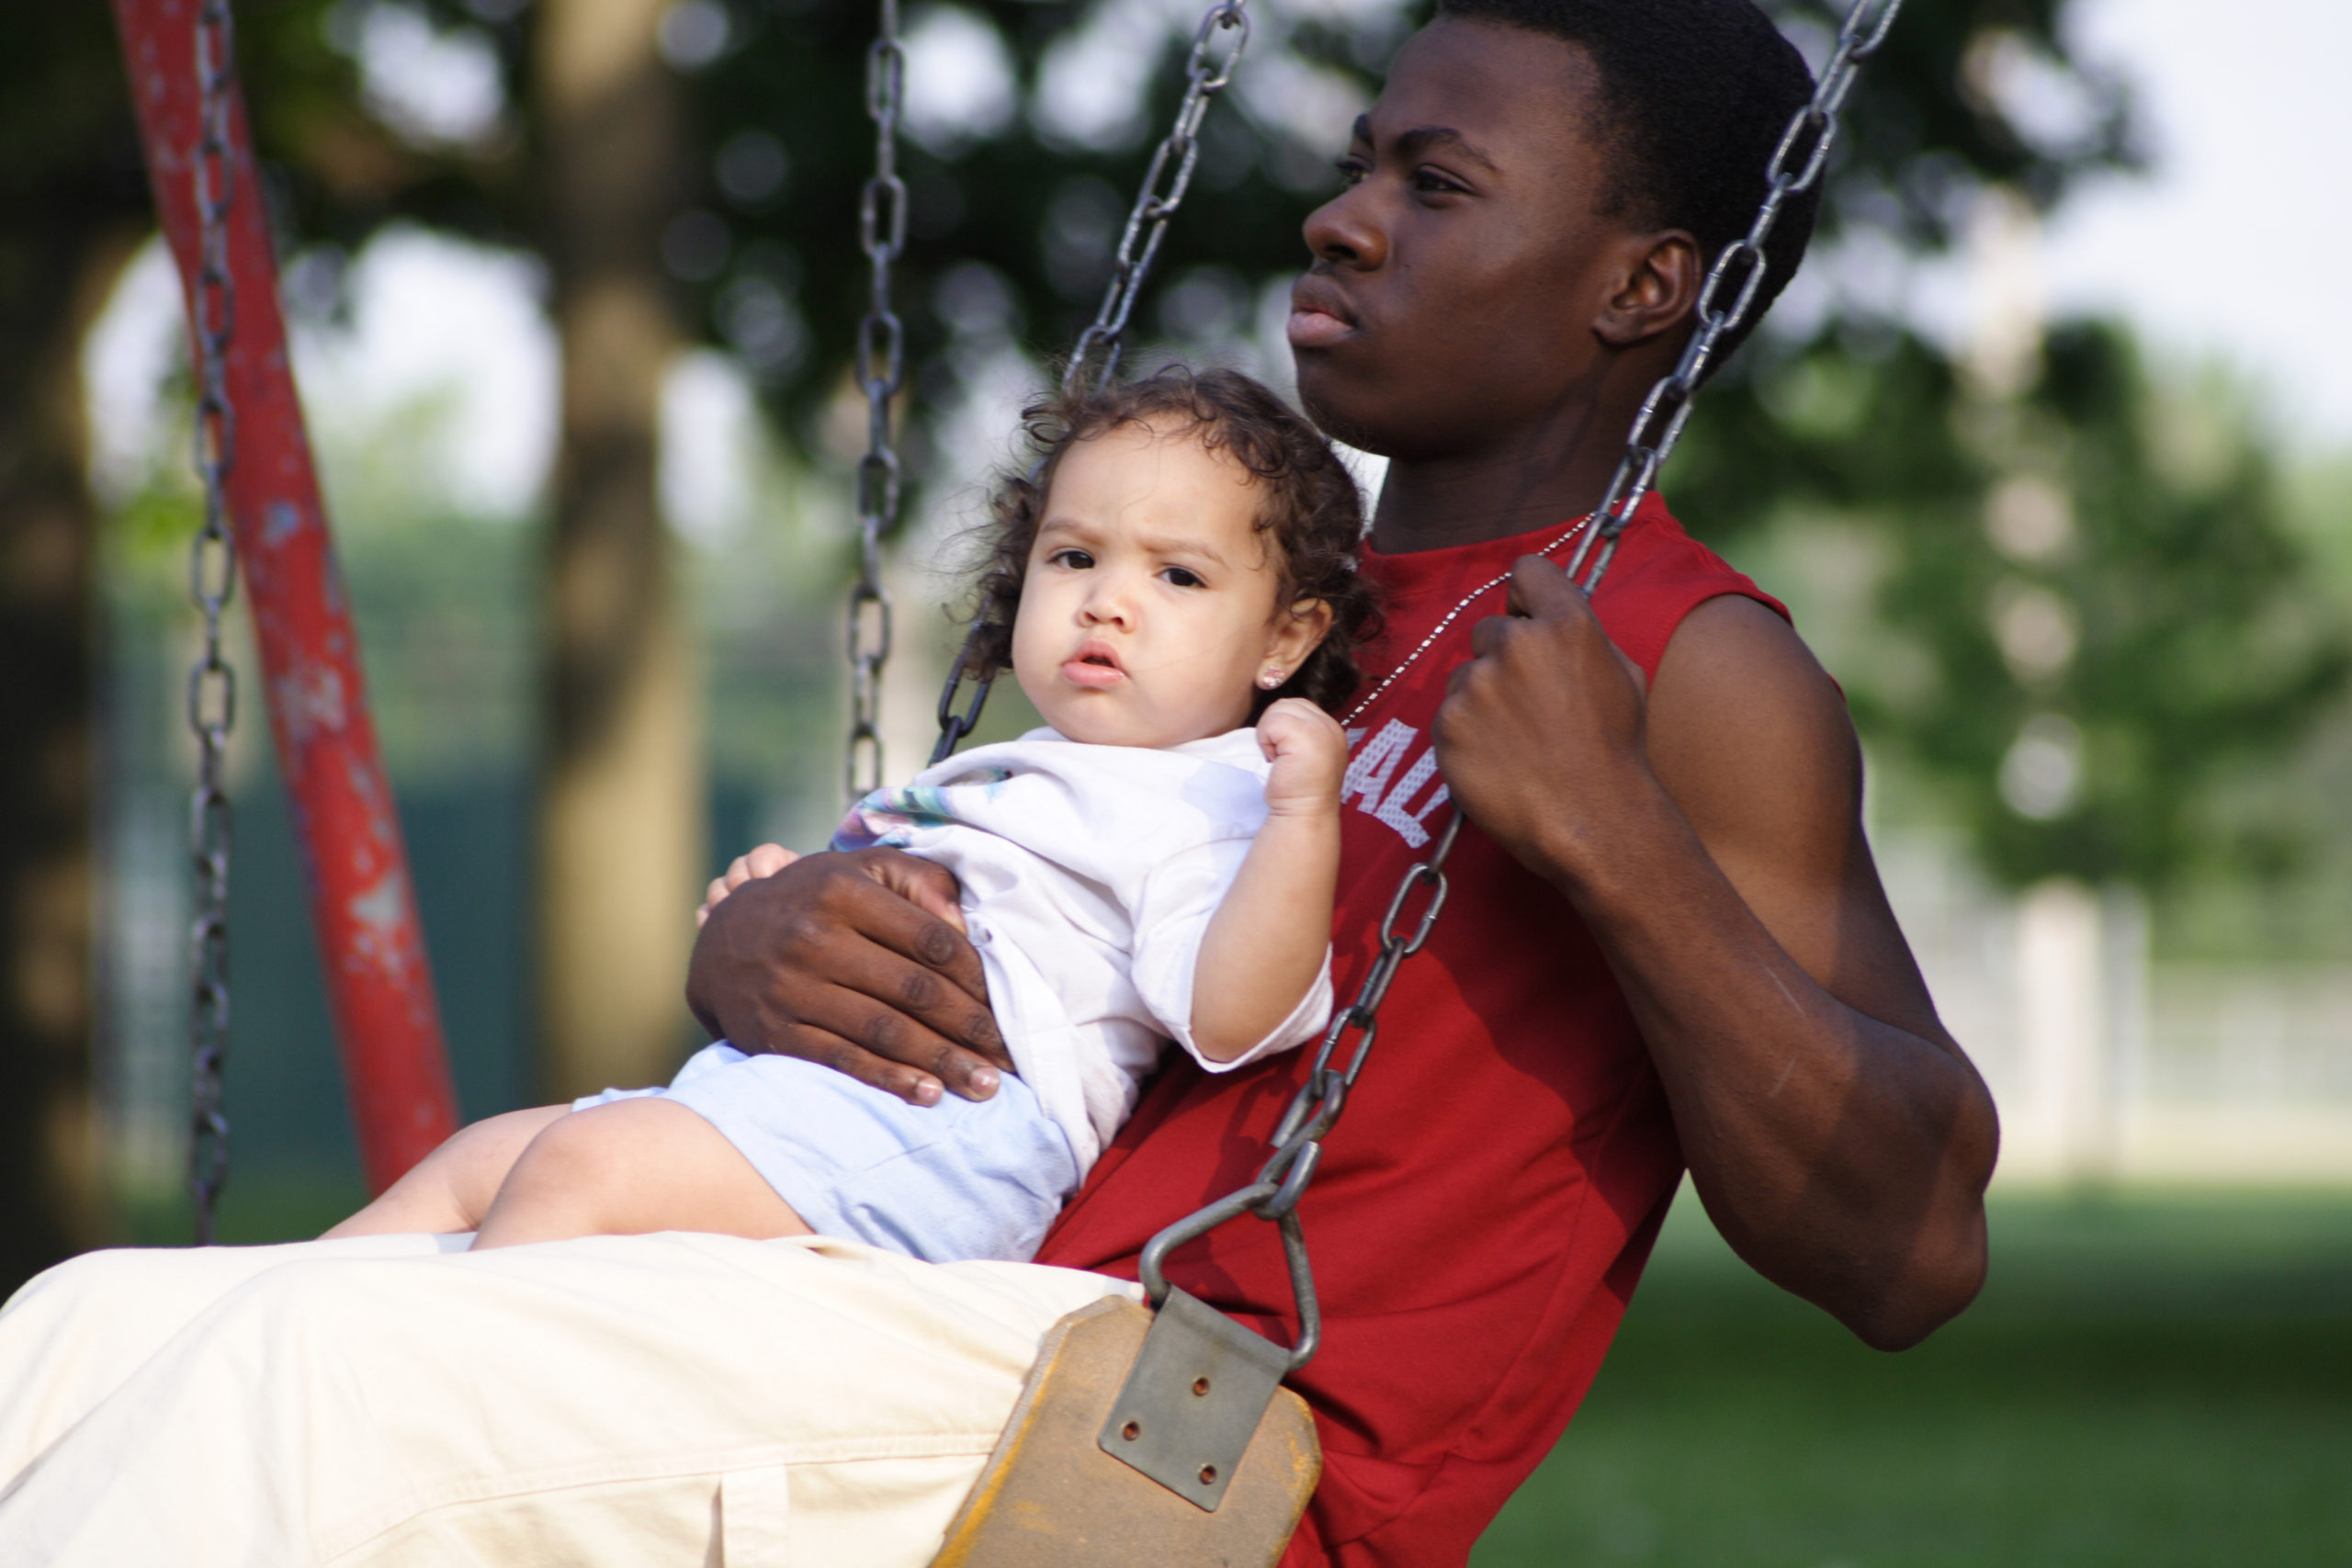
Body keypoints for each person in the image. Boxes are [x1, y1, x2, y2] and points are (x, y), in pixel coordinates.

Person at [0, 3, 1999, 1564]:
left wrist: (1619, 842)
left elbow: (1906, 1246)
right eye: (1355, 158)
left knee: (289, 1393)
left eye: (1437, 182)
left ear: (1640, 286)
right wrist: (766, 939)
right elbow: (1036, 904)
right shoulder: (1257, 597)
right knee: (78, 1333)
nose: (1340, 212)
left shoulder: (1677, 659)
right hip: (927, 1291)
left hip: (1173, 1418)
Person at [322, 370, 1371, 1263]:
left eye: (1177, 574)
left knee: (581, 1174)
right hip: (796, 1097)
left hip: (950, 1129)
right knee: (476, 1163)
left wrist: (1301, 819)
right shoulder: (1027, 770)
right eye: (1073, 556)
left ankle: (450, 1421)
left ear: (1284, 640)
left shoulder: (1216, 795)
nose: (1106, 601)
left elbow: (1234, 1018)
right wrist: (786, 894)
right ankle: (259, 1327)